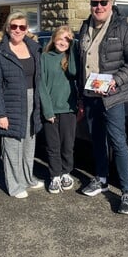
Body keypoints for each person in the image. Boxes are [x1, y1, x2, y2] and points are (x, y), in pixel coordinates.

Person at [77, 0, 128, 215]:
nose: (99, 7)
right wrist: (80, 97)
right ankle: (101, 178)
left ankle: (126, 192)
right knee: (97, 141)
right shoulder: (85, 27)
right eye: (95, 3)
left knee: (118, 142)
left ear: (110, 2)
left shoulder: (123, 28)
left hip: (113, 96)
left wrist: (115, 80)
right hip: (91, 95)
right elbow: (81, 63)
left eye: (103, 2)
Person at [0, 11, 44, 198]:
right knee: (12, 145)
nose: (18, 30)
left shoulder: (34, 48)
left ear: (27, 29)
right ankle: (15, 185)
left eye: (22, 27)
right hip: (11, 103)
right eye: (14, 26)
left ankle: (27, 178)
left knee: (29, 142)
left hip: (32, 101)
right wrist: (0, 114)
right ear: (7, 27)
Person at [39, 26, 78, 193]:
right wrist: (48, 110)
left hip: (68, 109)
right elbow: (42, 85)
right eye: (61, 38)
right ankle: (55, 175)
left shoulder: (70, 58)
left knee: (67, 145)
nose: (63, 42)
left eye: (67, 40)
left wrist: (74, 48)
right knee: (53, 145)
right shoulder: (45, 58)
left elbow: (74, 72)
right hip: (52, 110)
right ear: (54, 39)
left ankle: (66, 172)